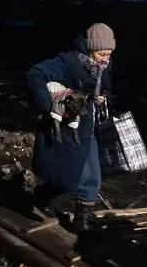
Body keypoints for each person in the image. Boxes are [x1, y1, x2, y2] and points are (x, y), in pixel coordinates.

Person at [26, 23, 115, 233]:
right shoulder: (68, 61)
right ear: (89, 48)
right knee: (71, 171)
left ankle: (81, 221)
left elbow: (108, 87)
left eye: (109, 54)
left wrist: (104, 98)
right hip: (64, 126)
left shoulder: (105, 65)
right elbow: (35, 75)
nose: (106, 58)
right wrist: (50, 105)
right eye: (101, 53)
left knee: (92, 172)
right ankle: (44, 194)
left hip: (88, 125)